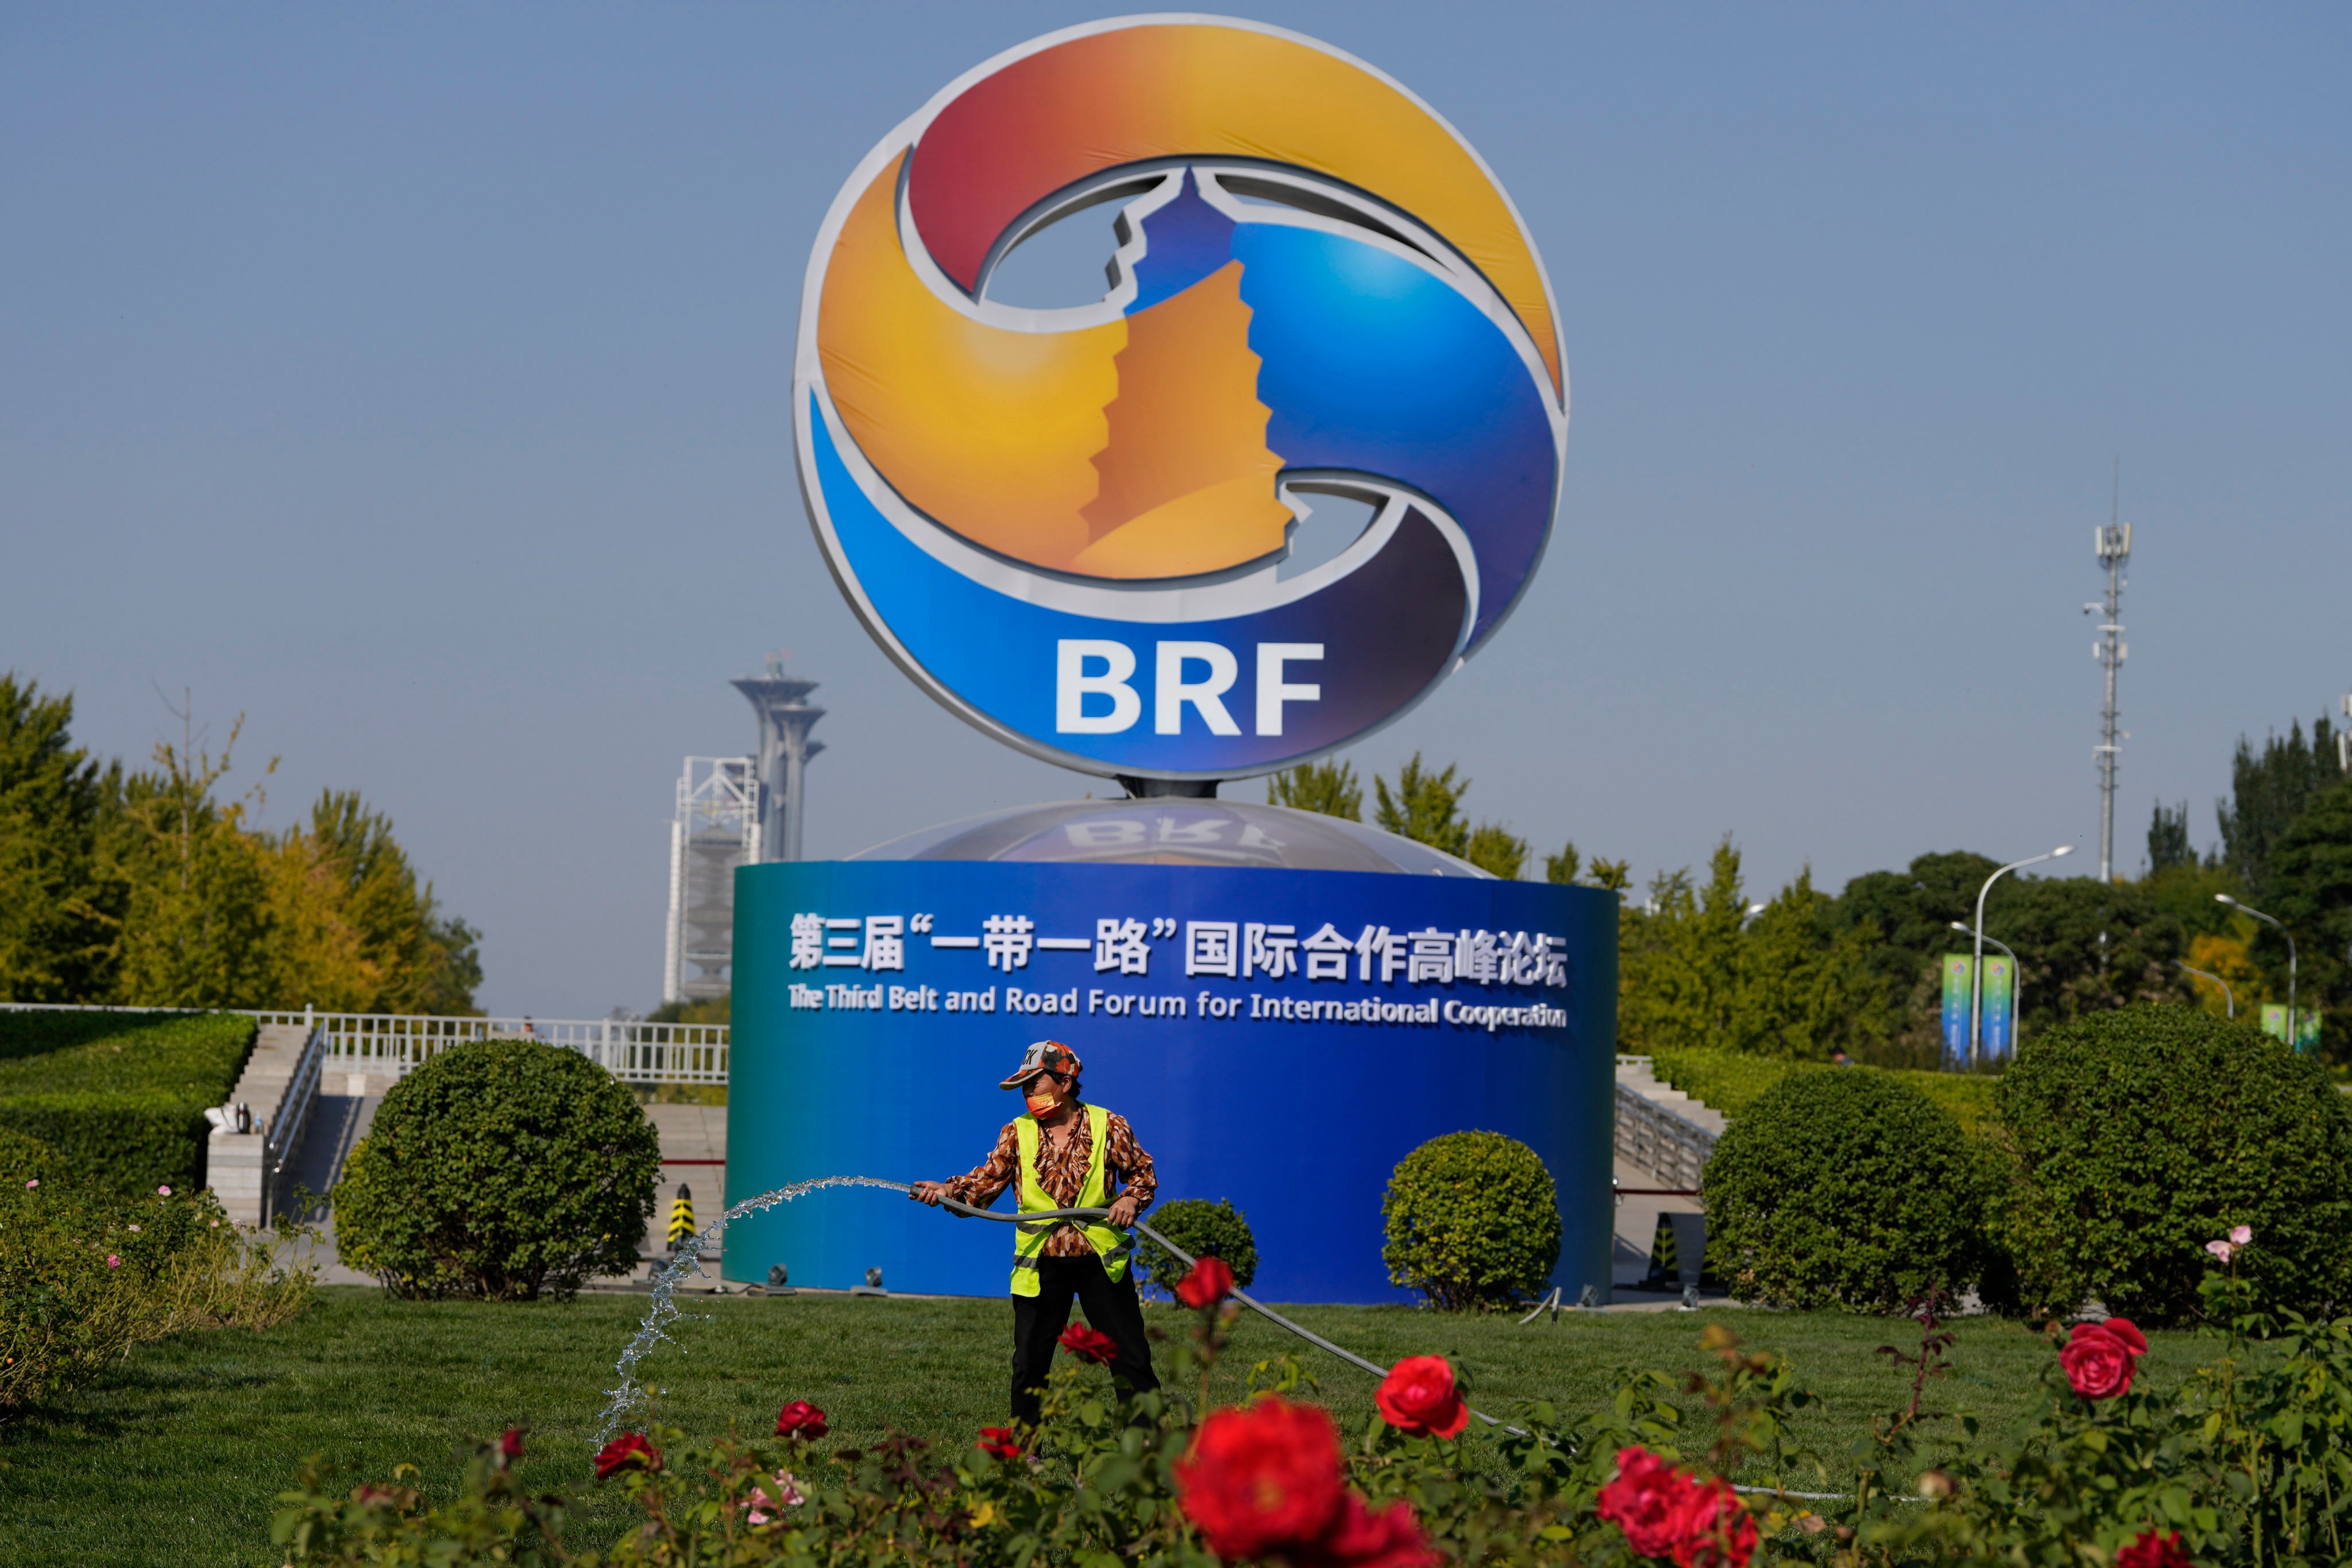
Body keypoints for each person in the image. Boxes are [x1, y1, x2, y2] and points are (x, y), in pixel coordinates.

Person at [910, 1040, 1160, 1427]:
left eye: (1034, 1083)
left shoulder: (1109, 1125)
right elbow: (982, 1187)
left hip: (1101, 1263)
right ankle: (1025, 1453)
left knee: (1130, 1357)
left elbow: (1142, 1175)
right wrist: (948, 1192)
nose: (1028, 1093)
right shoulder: (1016, 1132)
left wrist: (1130, 1201)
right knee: (1029, 1362)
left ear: (1064, 1081)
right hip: (1041, 1265)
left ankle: (1148, 1446)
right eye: (1023, 1086)